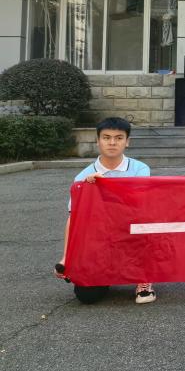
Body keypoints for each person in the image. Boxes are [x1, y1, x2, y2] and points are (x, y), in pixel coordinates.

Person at [56, 117, 153, 305]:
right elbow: (74, 219)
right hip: (99, 238)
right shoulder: (83, 177)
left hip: (131, 232)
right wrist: (66, 257)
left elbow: (139, 205)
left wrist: (104, 187)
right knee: (86, 296)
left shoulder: (140, 169)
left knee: (148, 225)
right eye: (106, 137)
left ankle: (144, 278)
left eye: (119, 138)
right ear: (98, 140)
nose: (112, 143)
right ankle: (106, 274)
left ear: (127, 141)